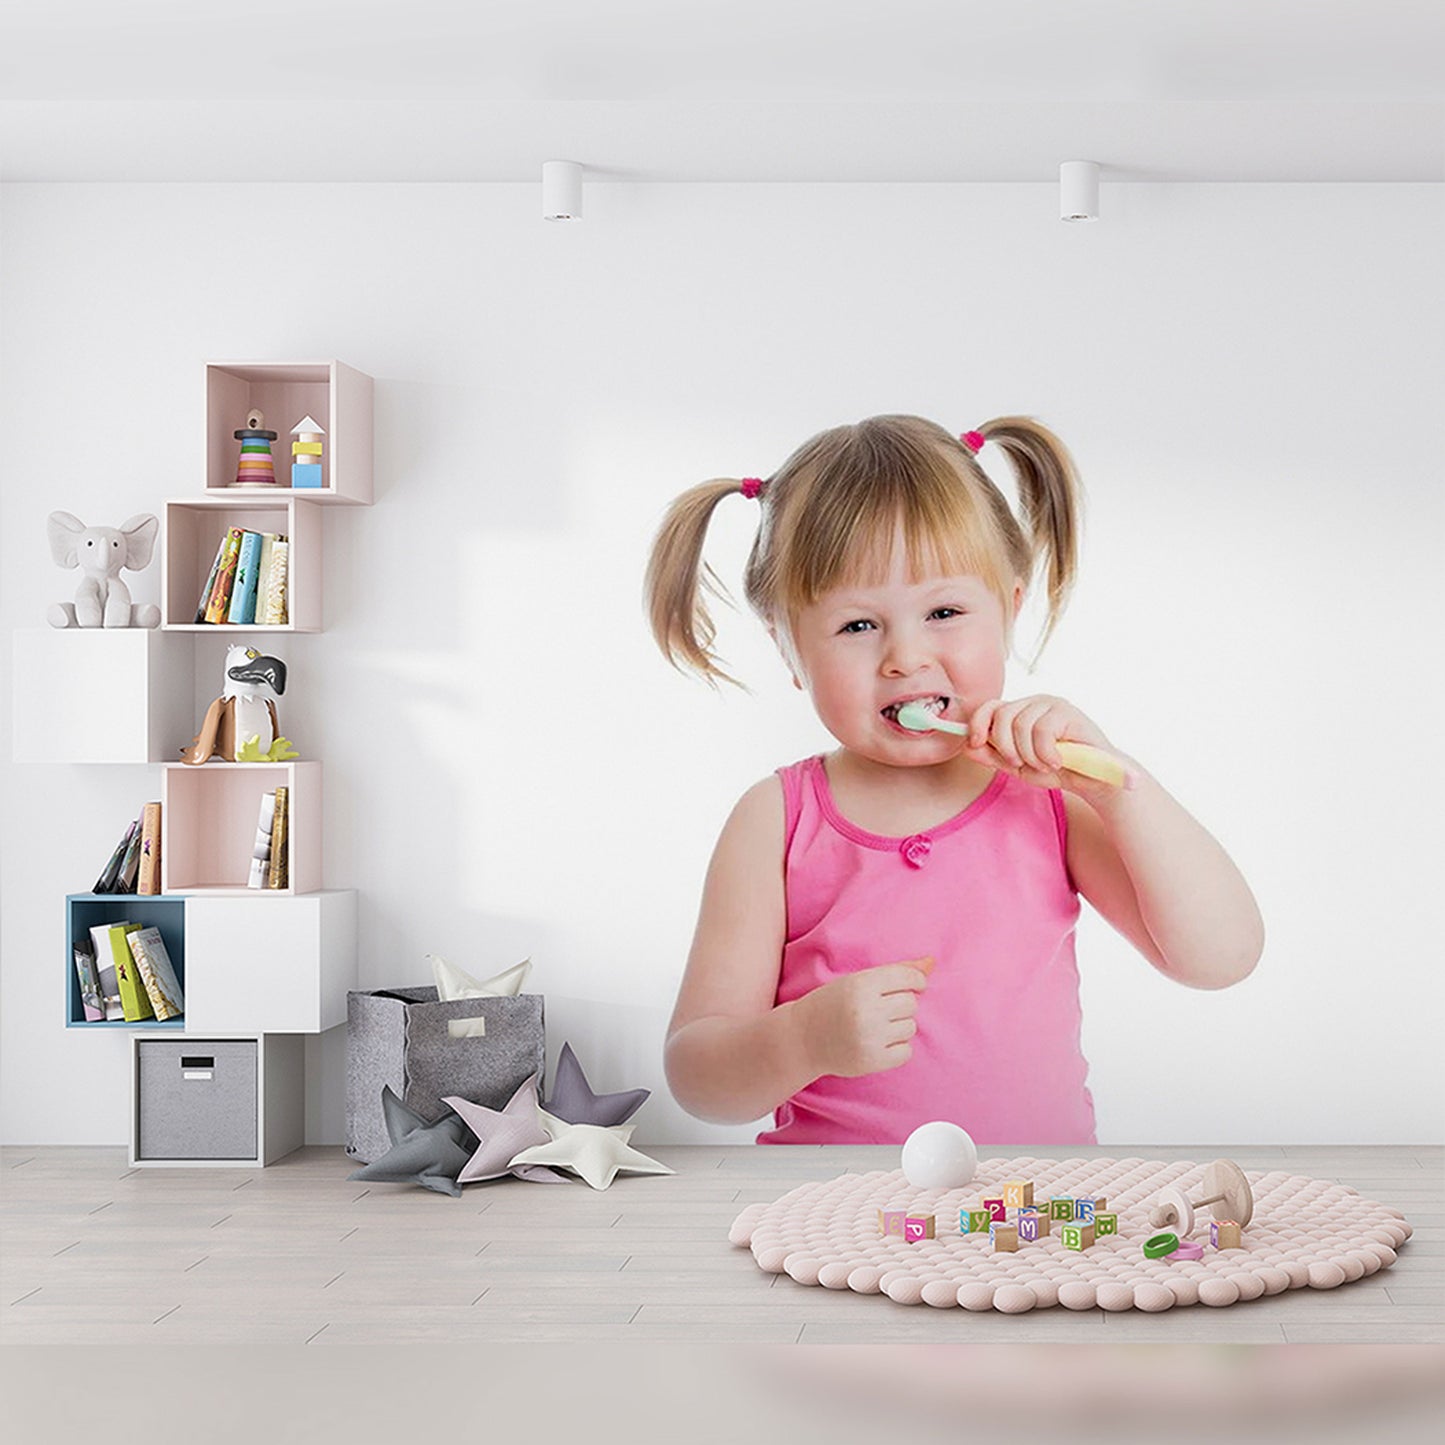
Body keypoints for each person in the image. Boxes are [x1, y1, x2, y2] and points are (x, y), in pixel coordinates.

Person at [644, 414, 1263, 1144]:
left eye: (943, 611)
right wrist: (801, 1039)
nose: (906, 656)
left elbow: (1220, 957)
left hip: (1035, 1213)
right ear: (788, 645)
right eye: (856, 626)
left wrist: (1115, 784)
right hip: (838, 1220)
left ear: (1009, 606)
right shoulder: (775, 819)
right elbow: (697, 1078)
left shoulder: (1050, 792)